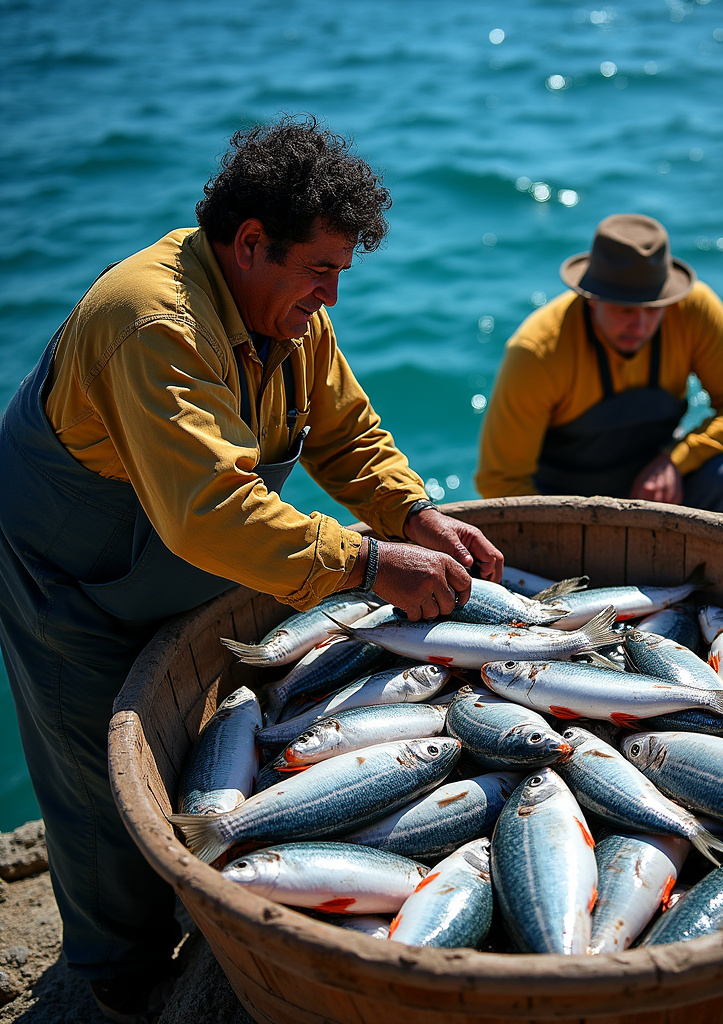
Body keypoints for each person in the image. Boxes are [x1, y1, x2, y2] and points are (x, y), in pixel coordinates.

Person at [0, 115, 503, 1024]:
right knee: (97, 794)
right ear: (249, 244)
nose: (332, 297)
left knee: (197, 758)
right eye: (321, 271)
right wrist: (368, 559)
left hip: (180, 555)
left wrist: (409, 510)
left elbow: (345, 430)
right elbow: (212, 511)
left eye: (342, 274)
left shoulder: (286, 311)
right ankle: (118, 977)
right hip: (72, 575)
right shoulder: (153, 322)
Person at [475, 213, 723, 517]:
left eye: (653, 308)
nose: (640, 325)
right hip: (562, 499)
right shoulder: (538, 352)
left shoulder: (692, 309)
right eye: (625, 310)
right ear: (591, 298)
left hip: (657, 480)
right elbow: (501, 481)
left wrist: (675, 459)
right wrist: (569, 534)